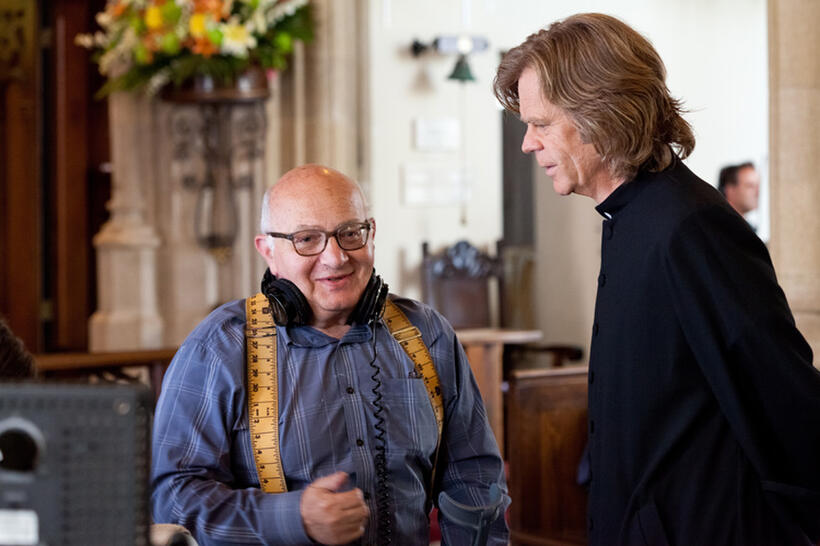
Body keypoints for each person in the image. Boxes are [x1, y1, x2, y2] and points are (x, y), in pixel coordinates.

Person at [494, 13, 820, 546]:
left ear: (601, 113)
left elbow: (784, 399)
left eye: (542, 123)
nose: (528, 144)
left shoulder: (692, 228)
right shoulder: (631, 215)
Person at [151, 164, 508, 545]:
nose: (336, 258)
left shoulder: (428, 334)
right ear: (268, 250)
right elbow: (171, 500)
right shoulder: (219, 348)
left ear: (371, 234)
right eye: (307, 239)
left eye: (350, 233)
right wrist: (292, 519)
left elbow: (474, 479)